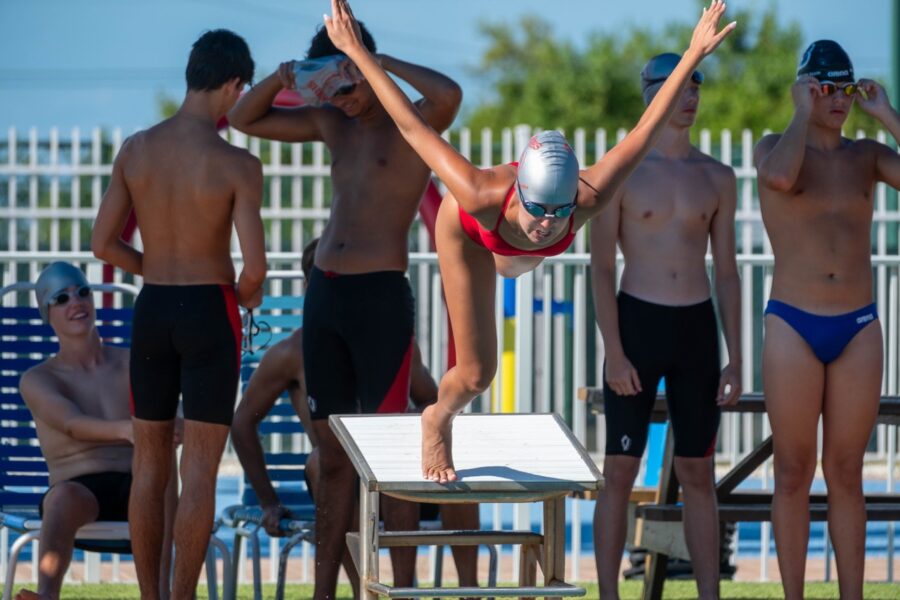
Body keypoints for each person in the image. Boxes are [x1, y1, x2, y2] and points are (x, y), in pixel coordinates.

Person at [321, 0, 736, 483]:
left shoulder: (590, 197)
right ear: (520, 192)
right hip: (473, 237)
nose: (547, 222)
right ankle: (437, 416)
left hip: (515, 254)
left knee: (520, 258)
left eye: (560, 212)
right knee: (477, 374)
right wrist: (356, 50)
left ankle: (510, 261)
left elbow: (646, 129)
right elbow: (412, 127)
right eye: (538, 209)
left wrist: (692, 56)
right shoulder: (477, 193)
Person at [227, 19, 463, 600]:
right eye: (331, 92)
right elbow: (242, 118)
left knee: (394, 452)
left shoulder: (413, 123)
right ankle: (326, 594)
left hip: (380, 296)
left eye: (349, 88)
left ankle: (398, 593)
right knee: (331, 456)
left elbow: (449, 95)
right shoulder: (332, 122)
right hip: (326, 295)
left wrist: (372, 60)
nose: (345, 102)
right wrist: (287, 76)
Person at [91, 29, 267, 600]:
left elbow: (103, 244)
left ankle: (149, 596)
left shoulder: (137, 149)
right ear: (234, 85)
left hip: (155, 308)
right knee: (199, 474)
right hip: (211, 309)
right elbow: (256, 270)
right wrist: (241, 295)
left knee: (149, 465)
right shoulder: (238, 164)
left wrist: (158, 267)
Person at [230, 239, 481, 594]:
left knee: (437, 457)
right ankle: (366, 590)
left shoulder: (396, 342)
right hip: (339, 478)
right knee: (328, 461)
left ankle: (463, 589)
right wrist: (268, 500)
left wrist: (422, 424)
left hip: (403, 479)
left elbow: (433, 402)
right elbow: (242, 423)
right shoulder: (290, 353)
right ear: (313, 288)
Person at [589, 53, 741, 600]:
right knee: (620, 471)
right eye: (681, 88)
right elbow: (601, 266)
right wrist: (614, 349)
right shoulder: (621, 171)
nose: (692, 98)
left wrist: (737, 356)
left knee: (698, 474)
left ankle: (708, 594)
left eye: (697, 87)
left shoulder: (717, 177)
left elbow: (727, 272)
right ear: (652, 95)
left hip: (696, 330)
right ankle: (609, 594)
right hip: (637, 323)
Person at [754, 40, 900, 599]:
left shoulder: (867, 156)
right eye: (823, 89)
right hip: (793, 322)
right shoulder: (774, 147)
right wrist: (798, 112)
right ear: (804, 90)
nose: (836, 99)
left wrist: (885, 114)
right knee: (793, 472)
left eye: (844, 88)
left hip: (858, 325)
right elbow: (779, 181)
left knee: (846, 473)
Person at [15, 263, 177, 600]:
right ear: (47, 313)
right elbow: (72, 424)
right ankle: (47, 595)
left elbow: (179, 418)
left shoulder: (134, 363)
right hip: (80, 491)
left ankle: (160, 595)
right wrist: (135, 430)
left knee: (161, 466)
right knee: (62, 497)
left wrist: (174, 429)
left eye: (83, 292)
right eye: (61, 298)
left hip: (142, 483)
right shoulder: (39, 378)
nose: (76, 301)